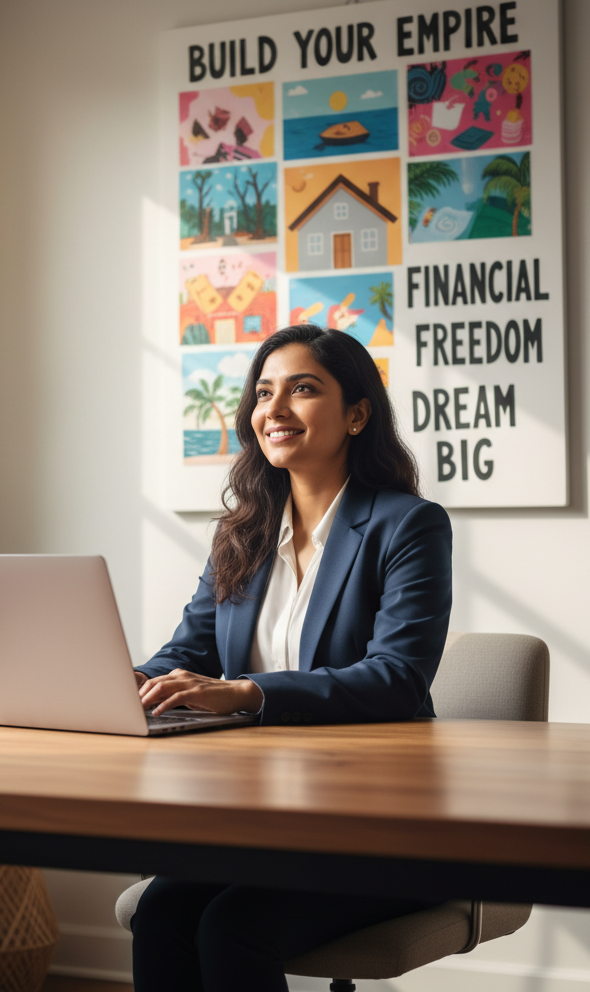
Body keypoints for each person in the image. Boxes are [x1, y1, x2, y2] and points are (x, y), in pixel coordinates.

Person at [130, 324, 452, 992]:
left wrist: (246, 692)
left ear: (357, 414)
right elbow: (187, 652)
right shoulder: (241, 532)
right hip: (263, 819)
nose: (274, 409)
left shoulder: (407, 525)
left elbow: (396, 679)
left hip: (381, 825)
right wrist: (120, 679)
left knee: (231, 927)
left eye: (303, 390)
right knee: (161, 913)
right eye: (264, 393)